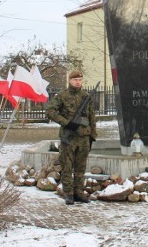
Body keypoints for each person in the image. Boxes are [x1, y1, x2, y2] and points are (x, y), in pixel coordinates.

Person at [47, 70, 97, 205]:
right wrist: (67, 123)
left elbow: (92, 116)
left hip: (83, 137)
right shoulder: (62, 96)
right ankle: (68, 194)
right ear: (70, 80)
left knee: (81, 167)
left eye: (80, 80)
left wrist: (93, 135)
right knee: (67, 166)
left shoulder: (86, 96)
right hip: (68, 137)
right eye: (75, 80)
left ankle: (79, 193)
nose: (78, 82)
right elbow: (50, 111)